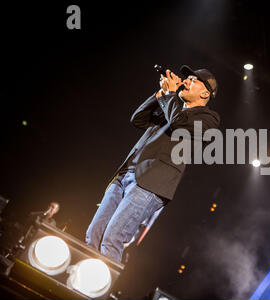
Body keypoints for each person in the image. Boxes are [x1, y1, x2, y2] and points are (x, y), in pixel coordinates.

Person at [85, 65, 220, 263]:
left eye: (193, 79)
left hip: (149, 184)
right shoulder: (171, 105)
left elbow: (178, 123)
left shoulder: (209, 118)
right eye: (186, 78)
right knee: (93, 235)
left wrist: (171, 95)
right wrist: (161, 93)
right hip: (125, 176)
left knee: (112, 240)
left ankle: (97, 293)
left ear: (205, 92)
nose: (186, 81)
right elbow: (138, 119)